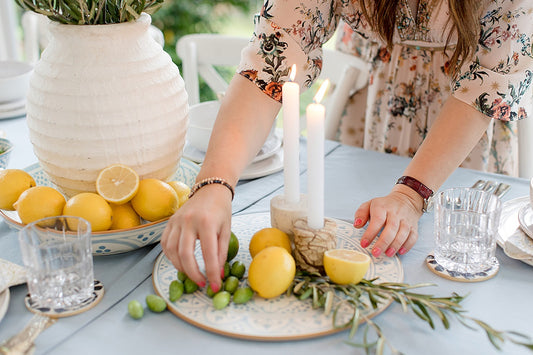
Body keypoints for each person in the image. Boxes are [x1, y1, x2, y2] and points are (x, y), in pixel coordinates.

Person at [162, 0, 533, 293]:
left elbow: (486, 85)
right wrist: (214, 184)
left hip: (462, 135)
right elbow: (271, 61)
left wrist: (410, 194)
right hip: (373, 108)